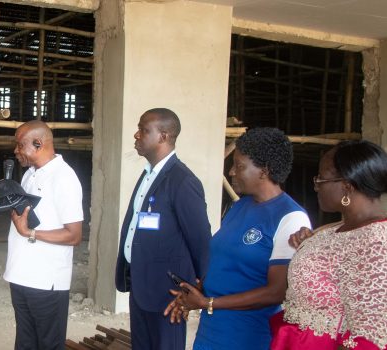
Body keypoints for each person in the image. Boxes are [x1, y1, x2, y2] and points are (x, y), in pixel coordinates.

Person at [164, 127, 311, 350]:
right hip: (212, 330)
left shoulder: (290, 217)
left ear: (264, 171)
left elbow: (277, 291)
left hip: (248, 335)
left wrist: (208, 303)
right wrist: (196, 293)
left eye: (239, 166)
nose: (232, 172)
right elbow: (227, 262)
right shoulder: (240, 205)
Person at [270, 140, 387, 350]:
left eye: (321, 178)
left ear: (346, 187)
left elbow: (370, 335)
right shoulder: (336, 230)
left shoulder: (376, 242)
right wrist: (310, 244)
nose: (316, 186)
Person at [115, 108, 212, 350]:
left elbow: (200, 241)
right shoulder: (148, 175)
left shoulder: (182, 181)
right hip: (141, 284)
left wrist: (199, 288)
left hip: (169, 293)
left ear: (163, 136)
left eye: (143, 130)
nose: (136, 135)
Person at [2, 120, 83, 350]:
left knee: (48, 344)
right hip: (20, 275)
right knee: (26, 343)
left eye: (20, 145)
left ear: (38, 143)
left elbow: (74, 235)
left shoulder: (64, 178)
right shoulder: (29, 175)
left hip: (46, 282)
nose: (16, 151)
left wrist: (30, 232)